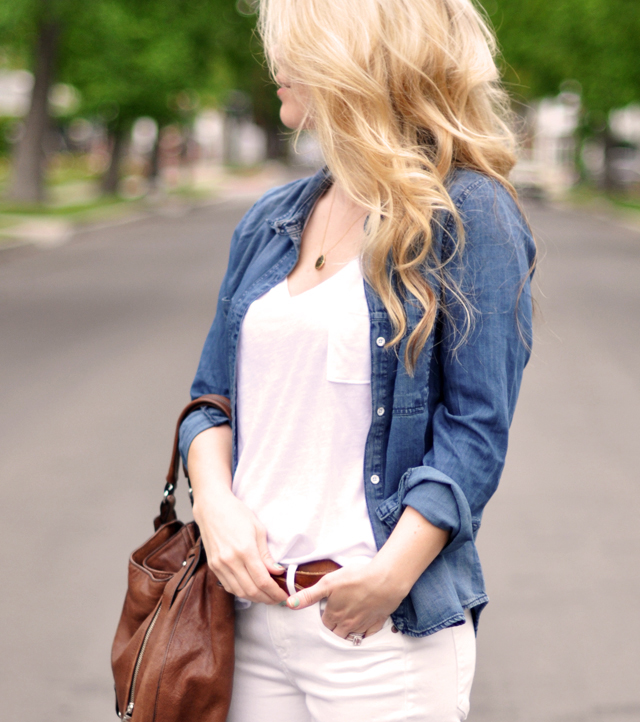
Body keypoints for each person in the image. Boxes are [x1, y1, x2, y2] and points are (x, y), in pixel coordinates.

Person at [178, 0, 536, 720]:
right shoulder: (271, 220)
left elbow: (475, 427)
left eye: (292, 49)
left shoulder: (468, 214)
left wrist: (391, 575)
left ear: (350, 57)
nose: (275, 68)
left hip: (380, 629)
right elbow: (210, 399)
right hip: (245, 619)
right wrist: (215, 506)